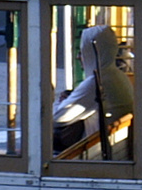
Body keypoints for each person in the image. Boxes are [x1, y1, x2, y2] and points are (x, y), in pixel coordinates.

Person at [53, 24, 134, 156]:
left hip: (96, 154)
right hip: (117, 149)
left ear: (92, 52)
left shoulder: (96, 82)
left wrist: (60, 102)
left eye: (83, 52)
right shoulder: (119, 76)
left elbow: (58, 118)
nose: (79, 57)